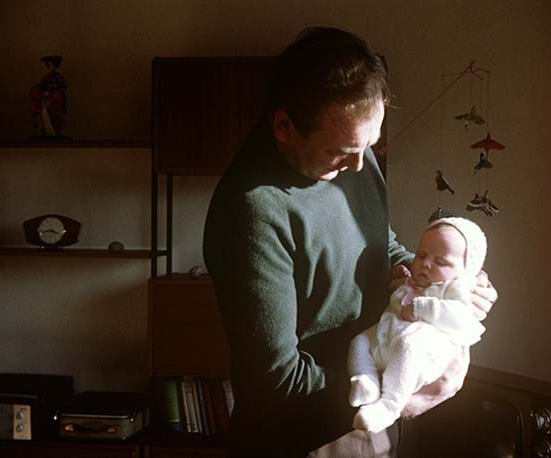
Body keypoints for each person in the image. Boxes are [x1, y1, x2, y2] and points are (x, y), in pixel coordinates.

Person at [203, 27, 497, 457]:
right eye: (342, 151)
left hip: (372, 418)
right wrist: (404, 401)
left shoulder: (354, 158)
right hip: (302, 440)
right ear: (284, 126)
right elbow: (275, 383)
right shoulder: (251, 210)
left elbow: (379, 244)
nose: (361, 166)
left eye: (371, 146)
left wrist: (438, 277)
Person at [348, 217, 488, 434]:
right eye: (421, 255)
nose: (425, 264)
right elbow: (397, 299)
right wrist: (400, 281)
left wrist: (421, 307)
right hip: (387, 340)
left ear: (466, 270)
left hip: (421, 353)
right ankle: (367, 382)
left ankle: (389, 405)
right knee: (359, 341)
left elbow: (462, 319)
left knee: (409, 344)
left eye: (440, 262)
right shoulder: (415, 279)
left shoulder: (458, 290)